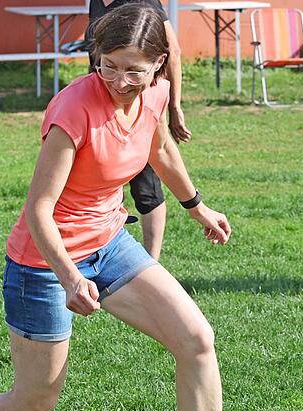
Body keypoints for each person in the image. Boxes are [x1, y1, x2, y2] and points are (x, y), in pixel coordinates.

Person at [0, 5, 254, 411]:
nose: (118, 81)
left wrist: (196, 206)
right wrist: (70, 277)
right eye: (108, 65)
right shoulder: (73, 109)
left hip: (109, 241)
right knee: (36, 397)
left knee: (196, 339)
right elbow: (39, 210)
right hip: (44, 261)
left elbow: (158, 148)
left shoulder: (155, 92)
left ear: (159, 63)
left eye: (132, 70)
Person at [86, 0, 192, 260]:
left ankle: (151, 261)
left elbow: (173, 51)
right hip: (100, 104)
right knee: (100, 179)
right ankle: (100, 252)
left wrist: (174, 106)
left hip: (137, 101)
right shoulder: (95, 3)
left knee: (146, 182)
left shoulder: (145, 3)